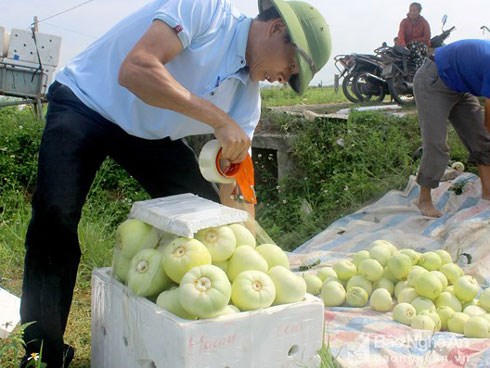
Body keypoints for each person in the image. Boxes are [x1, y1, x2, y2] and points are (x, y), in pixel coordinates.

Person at [18, 0, 331, 366]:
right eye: (290, 66)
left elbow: (237, 184)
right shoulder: (206, 10)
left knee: (208, 224)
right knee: (55, 216)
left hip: (146, 134)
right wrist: (217, 118)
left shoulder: (246, 99)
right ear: (276, 29)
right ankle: (42, 352)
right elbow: (136, 69)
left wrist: (249, 250)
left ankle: (185, 326)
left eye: (292, 78)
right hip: (86, 103)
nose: (284, 78)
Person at [413, 39, 490, 218]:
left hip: (461, 86)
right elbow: (489, 120)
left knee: (482, 141)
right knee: (436, 144)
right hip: (435, 79)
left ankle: (488, 193)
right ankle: (424, 199)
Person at [396, 2, 431, 70]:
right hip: (407, 46)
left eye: (414, 11)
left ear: (419, 11)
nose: (412, 12)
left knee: (414, 45)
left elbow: (427, 37)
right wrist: (403, 45)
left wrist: (414, 41)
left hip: (422, 47)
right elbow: (401, 34)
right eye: (410, 10)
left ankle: (420, 69)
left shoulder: (424, 22)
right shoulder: (404, 22)